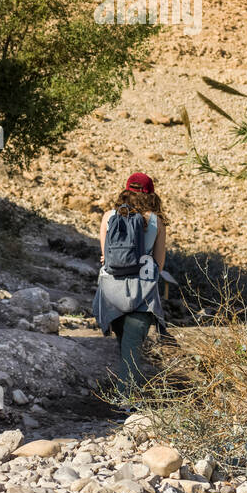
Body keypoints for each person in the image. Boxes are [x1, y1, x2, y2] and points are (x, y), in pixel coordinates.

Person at [92, 172, 167, 404]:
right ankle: (125, 404)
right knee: (132, 351)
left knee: (125, 346)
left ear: (126, 190)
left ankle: (123, 400)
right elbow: (159, 264)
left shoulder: (108, 217)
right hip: (142, 294)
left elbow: (105, 256)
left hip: (111, 293)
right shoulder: (156, 221)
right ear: (150, 194)